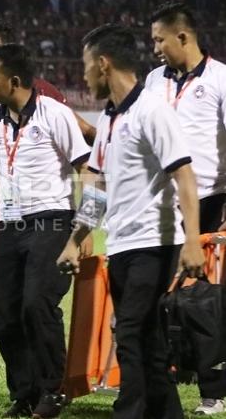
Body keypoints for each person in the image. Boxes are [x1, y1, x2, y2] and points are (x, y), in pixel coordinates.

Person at [57, 23, 205, 419]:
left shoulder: (153, 110)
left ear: (103, 64)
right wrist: (76, 239)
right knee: (151, 345)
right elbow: (99, 188)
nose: (82, 75)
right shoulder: (109, 118)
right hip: (122, 246)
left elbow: (184, 176)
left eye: (85, 65)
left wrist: (192, 240)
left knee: (131, 335)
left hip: (155, 245)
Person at [0, 19, 95, 403]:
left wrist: (82, 231)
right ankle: (24, 394)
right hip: (12, 226)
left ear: (14, 80)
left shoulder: (55, 114)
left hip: (51, 221)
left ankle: (53, 390)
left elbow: (90, 175)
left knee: (37, 305)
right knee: (5, 313)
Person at [145, 3, 226, 413]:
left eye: (160, 39)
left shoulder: (221, 79)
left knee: (202, 299)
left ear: (183, 36)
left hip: (209, 203)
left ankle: (214, 390)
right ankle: (175, 372)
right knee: (160, 295)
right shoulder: (152, 80)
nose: (155, 47)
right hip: (160, 204)